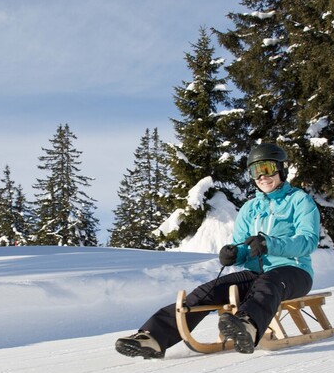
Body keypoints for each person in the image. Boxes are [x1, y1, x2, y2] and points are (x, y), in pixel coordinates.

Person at [116, 143, 320, 358]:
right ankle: (153, 337)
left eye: (267, 168)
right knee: (208, 291)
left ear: (280, 168)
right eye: (255, 171)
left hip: (293, 271)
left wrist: (270, 244)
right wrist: (233, 254)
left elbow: (308, 241)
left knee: (267, 284)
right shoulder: (250, 209)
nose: (262, 176)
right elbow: (243, 248)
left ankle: (247, 326)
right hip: (255, 273)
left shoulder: (299, 201)